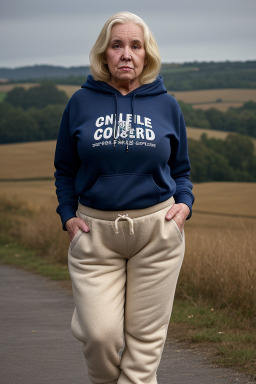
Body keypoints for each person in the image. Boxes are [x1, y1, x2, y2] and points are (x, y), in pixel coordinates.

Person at [54, 11, 194, 384]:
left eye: (136, 46)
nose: (126, 54)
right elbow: (64, 169)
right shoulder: (80, 103)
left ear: (147, 55)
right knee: (100, 335)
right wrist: (68, 215)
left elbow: (181, 170)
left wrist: (185, 206)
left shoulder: (167, 105)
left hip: (158, 231)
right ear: (104, 54)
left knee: (145, 344)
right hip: (95, 233)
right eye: (117, 45)